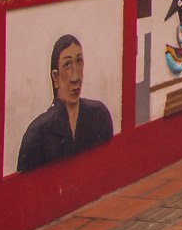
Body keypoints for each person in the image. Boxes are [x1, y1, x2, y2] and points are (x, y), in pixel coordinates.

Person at [17, 35, 114, 172]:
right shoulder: (38, 133)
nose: (76, 77)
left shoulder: (99, 115)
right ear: (55, 77)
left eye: (79, 62)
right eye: (67, 65)